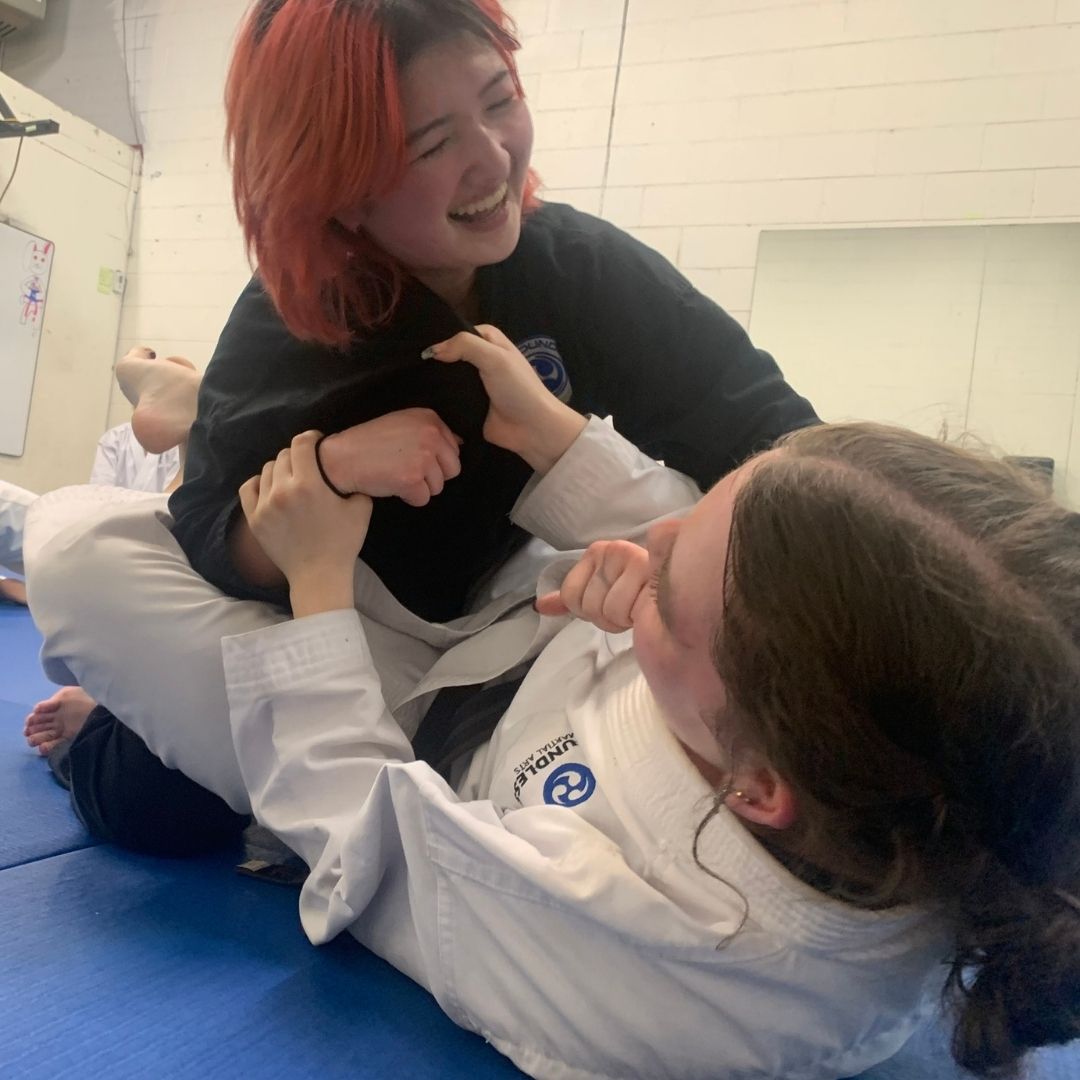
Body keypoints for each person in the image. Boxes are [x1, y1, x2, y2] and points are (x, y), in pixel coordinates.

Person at [27, 329, 1080, 1079]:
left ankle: (116, 663)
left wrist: (312, 584)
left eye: (667, 590)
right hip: (511, 639)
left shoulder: (680, 960)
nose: (648, 547)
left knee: (81, 558)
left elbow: (365, 833)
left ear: (757, 786)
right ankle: (209, 437)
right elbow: (687, 536)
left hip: (414, 754)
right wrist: (564, 445)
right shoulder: (920, 742)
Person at [41, 0, 818, 855]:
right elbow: (206, 526)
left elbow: (777, 441)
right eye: (429, 144)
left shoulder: (577, 267)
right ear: (335, 190)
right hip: (336, 606)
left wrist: (564, 442)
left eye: (499, 101)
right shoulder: (293, 324)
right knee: (157, 805)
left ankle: (175, 392)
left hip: (501, 609)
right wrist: (330, 472)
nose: (491, 160)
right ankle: (103, 718)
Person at [18, 347, 201, 757]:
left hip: (147, 545)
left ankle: (108, 711)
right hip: (173, 533)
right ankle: (199, 444)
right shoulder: (116, 442)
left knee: (71, 539)